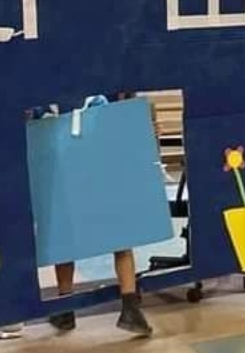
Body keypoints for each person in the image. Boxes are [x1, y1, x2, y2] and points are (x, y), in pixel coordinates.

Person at [30, 90, 153, 337]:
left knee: (64, 239)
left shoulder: (49, 103)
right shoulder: (98, 99)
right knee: (120, 239)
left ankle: (65, 308)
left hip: (67, 176)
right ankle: (130, 307)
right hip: (97, 173)